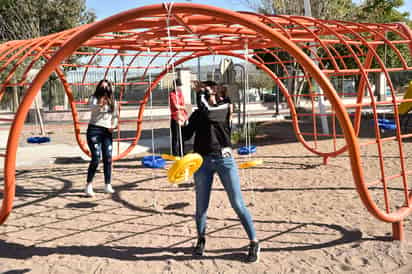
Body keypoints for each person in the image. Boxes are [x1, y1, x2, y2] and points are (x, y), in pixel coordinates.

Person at [184, 80, 260, 263]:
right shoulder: (198, 113)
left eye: (209, 92)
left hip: (224, 160)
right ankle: (201, 239)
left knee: (237, 203)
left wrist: (202, 92)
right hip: (202, 161)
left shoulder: (223, 108)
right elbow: (186, 135)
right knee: (201, 206)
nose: (206, 95)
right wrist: (182, 122)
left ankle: (254, 241)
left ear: (217, 94)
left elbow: (208, 113)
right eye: (205, 93)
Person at [85, 79, 119, 197]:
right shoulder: (94, 98)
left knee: (108, 157)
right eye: (102, 87)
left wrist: (113, 126)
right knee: (96, 158)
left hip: (107, 131)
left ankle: (107, 184)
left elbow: (115, 116)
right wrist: (100, 103)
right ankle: (89, 185)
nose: (104, 89)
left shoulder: (113, 101)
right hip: (94, 129)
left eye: (106, 87)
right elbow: (92, 108)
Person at [169, 78, 188, 157]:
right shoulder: (172, 94)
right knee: (175, 136)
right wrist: (182, 107)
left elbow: (184, 105)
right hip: (175, 117)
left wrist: (182, 107)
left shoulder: (180, 94)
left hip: (182, 116)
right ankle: (175, 153)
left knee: (182, 136)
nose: (179, 87)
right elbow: (175, 106)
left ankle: (182, 152)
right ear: (175, 86)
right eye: (178, 85)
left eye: (180, 86)